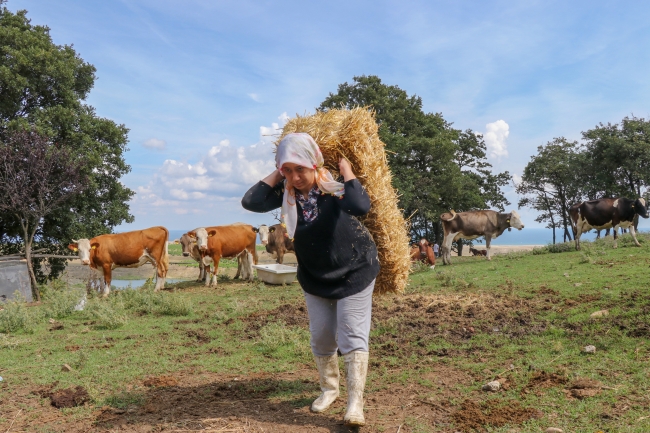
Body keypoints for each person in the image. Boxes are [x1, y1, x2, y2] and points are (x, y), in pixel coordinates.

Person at [241, 133, 379, 427]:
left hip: (354, 269)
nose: (294, 177)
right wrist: (280, 173)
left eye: (299, 169)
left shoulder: (334, 190)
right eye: (287, 171)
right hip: (315, 276)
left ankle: (355, 402)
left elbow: (360, 206)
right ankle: (329, 390)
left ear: (314, 165)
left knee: (352, 333)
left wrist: (347, 171)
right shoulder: (286, 195)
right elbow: (250, 201)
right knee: (321, 336)